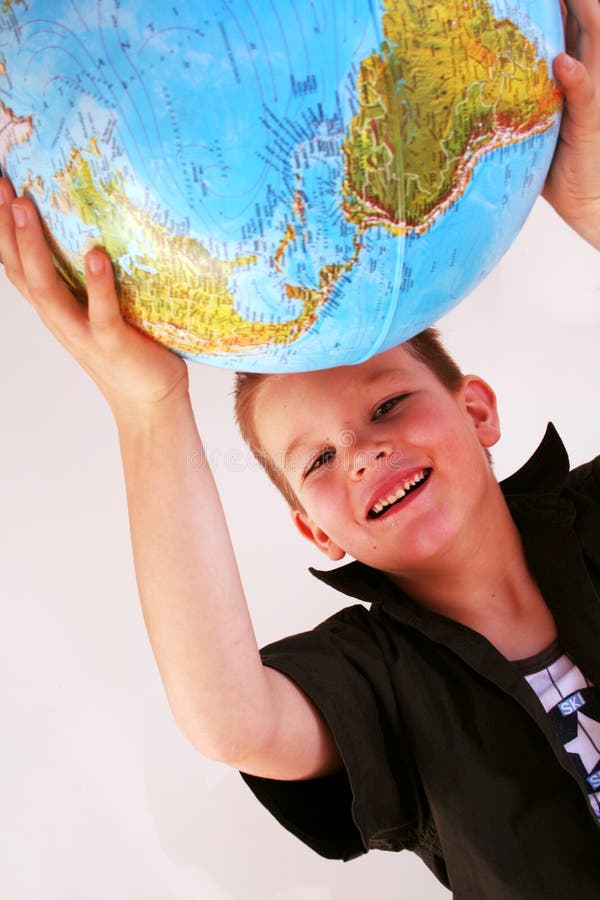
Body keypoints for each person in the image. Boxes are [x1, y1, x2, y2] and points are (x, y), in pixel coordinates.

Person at [1, 1, 599, 896]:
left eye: (391, 403)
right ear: (316, 532)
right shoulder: (378, 680)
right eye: (317, 462)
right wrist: (151, 407)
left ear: (477, 410)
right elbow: (232, 720)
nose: (361, 453)